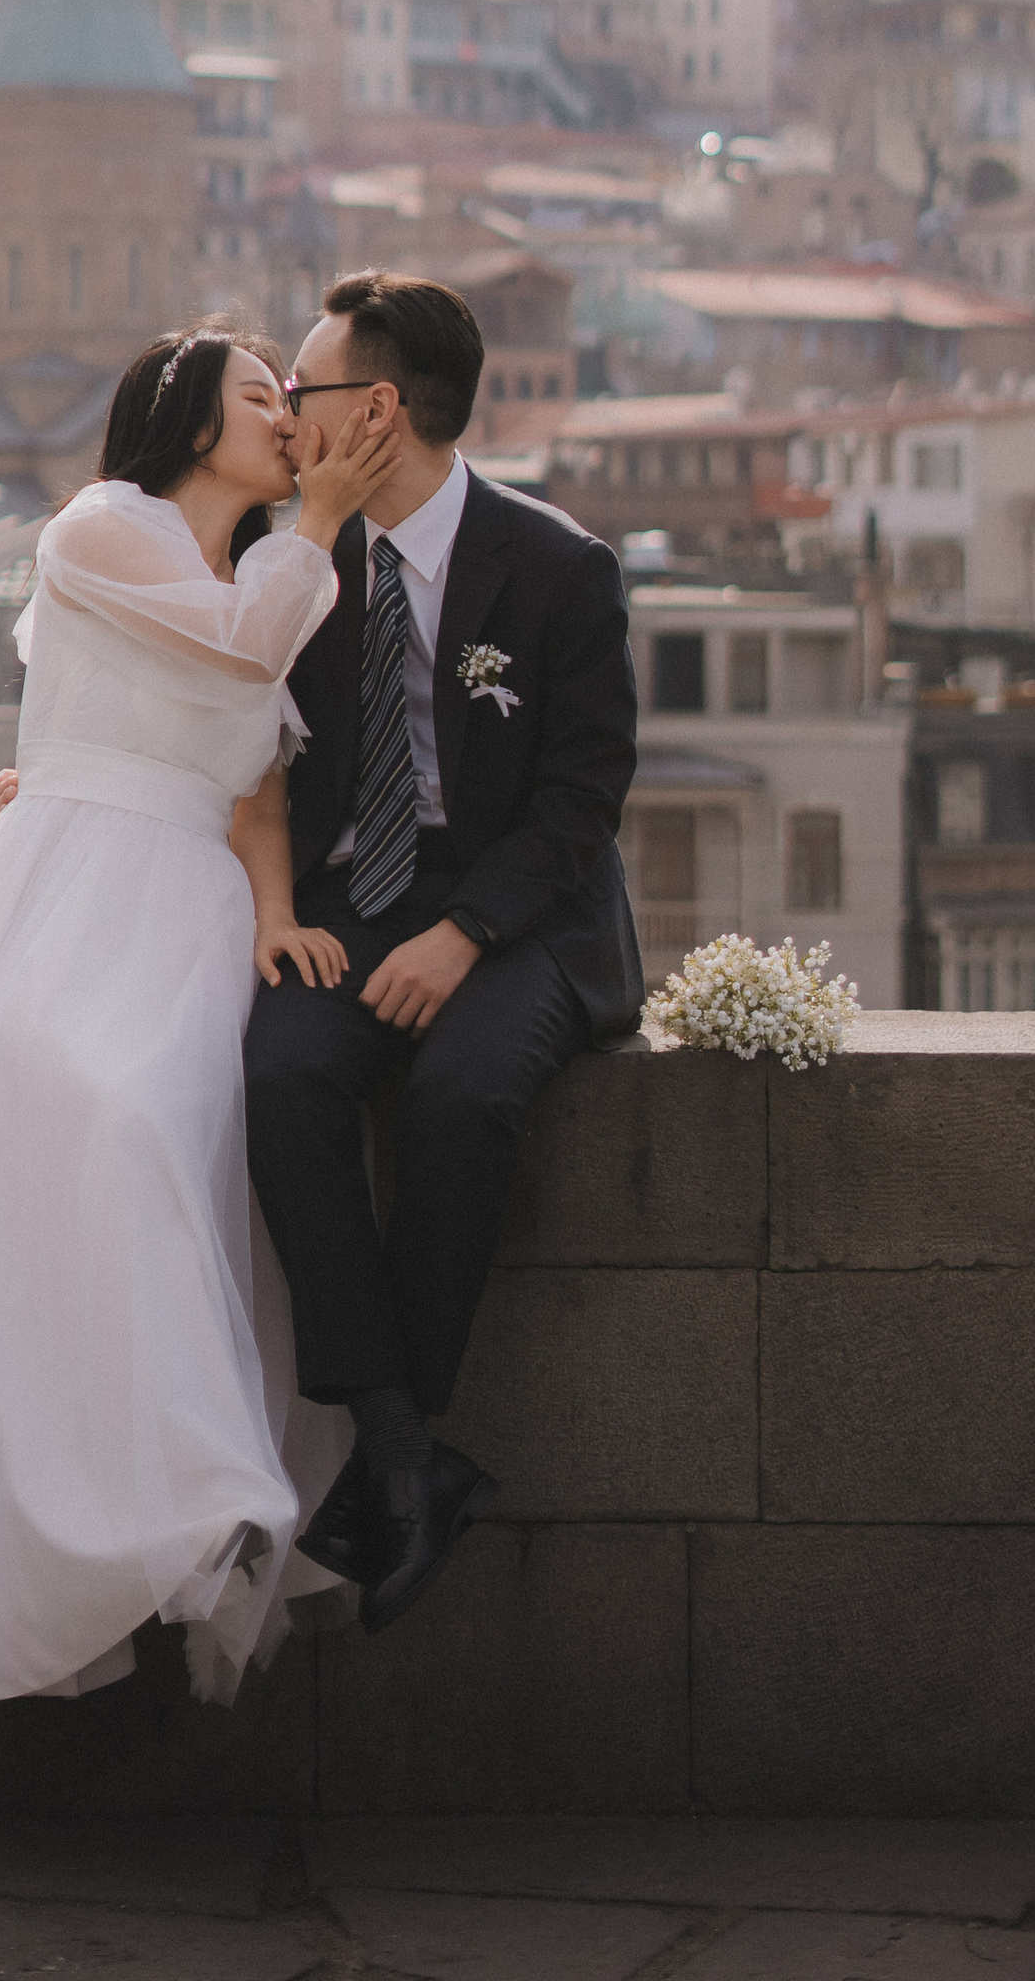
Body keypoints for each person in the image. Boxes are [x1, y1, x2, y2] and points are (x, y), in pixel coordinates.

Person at [0, 327, 402, 1710]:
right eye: (260, 397)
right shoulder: (106, 525)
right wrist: (324, 524)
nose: (287, 416)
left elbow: (257, 788)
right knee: (102, 1120)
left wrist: (275, 913)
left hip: (189, 907)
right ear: (188, 419)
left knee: (176, 1140)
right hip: (76, 885)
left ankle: (194, 1501)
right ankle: (152, 1506)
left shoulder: (259, 574)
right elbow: (239, 656)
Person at [243, 269, 641, 1632]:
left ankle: (398, 1458)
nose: (284, 416)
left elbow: (582, 799)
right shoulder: (297, 558)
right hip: (354, 898)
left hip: (522, 905)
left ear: (380, 409)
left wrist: (465, 933)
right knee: (284, 1076)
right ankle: (404, 1447)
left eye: (302, 390)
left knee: (464, 1095)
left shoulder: (561, 569)